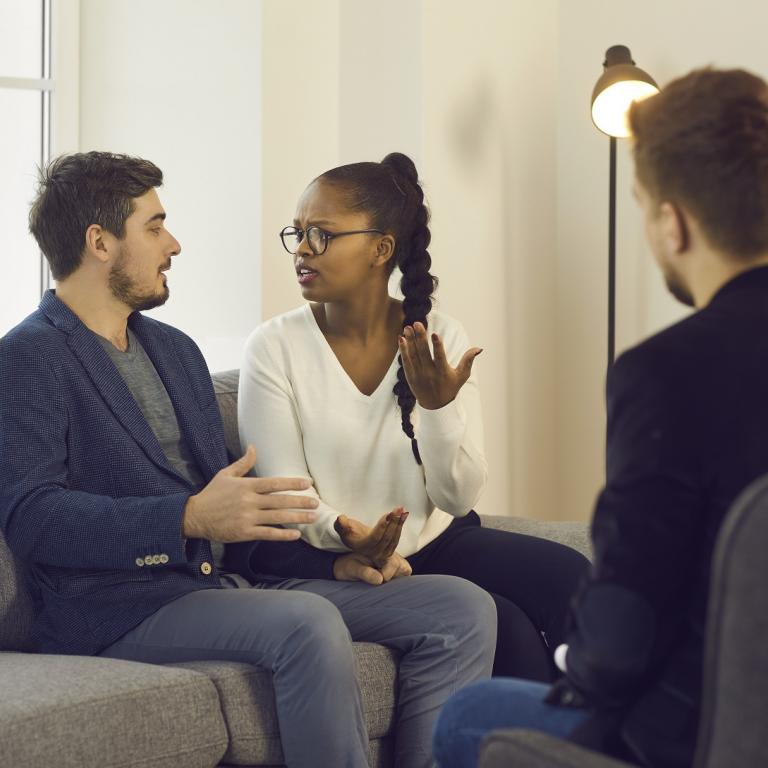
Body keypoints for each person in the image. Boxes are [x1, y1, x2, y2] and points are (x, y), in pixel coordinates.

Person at [0, 151, 498, 768]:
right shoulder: (30, 356)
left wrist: (335, 565)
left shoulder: (175, 350)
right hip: (119, 605)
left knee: (460, 608)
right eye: (154, 226)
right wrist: (183, 518)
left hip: (224, 583)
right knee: (305, 624)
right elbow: (34, 514)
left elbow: (241, 514)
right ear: (99, 242)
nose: (173, 243)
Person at [433, 67, 768, 768]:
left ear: (672, 223)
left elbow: (624, 629)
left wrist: (579, 663)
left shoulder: (668, 372)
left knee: (470, 713)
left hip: (708, 733)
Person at [236, 151, 589, 682]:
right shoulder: (273, 346)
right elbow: (287, 495)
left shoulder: (439, 336)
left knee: (573, 576)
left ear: (382, 248)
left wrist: (438, 406)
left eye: (323, 235)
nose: (303, 250)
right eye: (298, 232)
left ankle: (612, 742)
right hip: (332, 555)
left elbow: (457, 498)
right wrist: (348, 534)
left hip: (437, 543)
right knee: (507, 627)